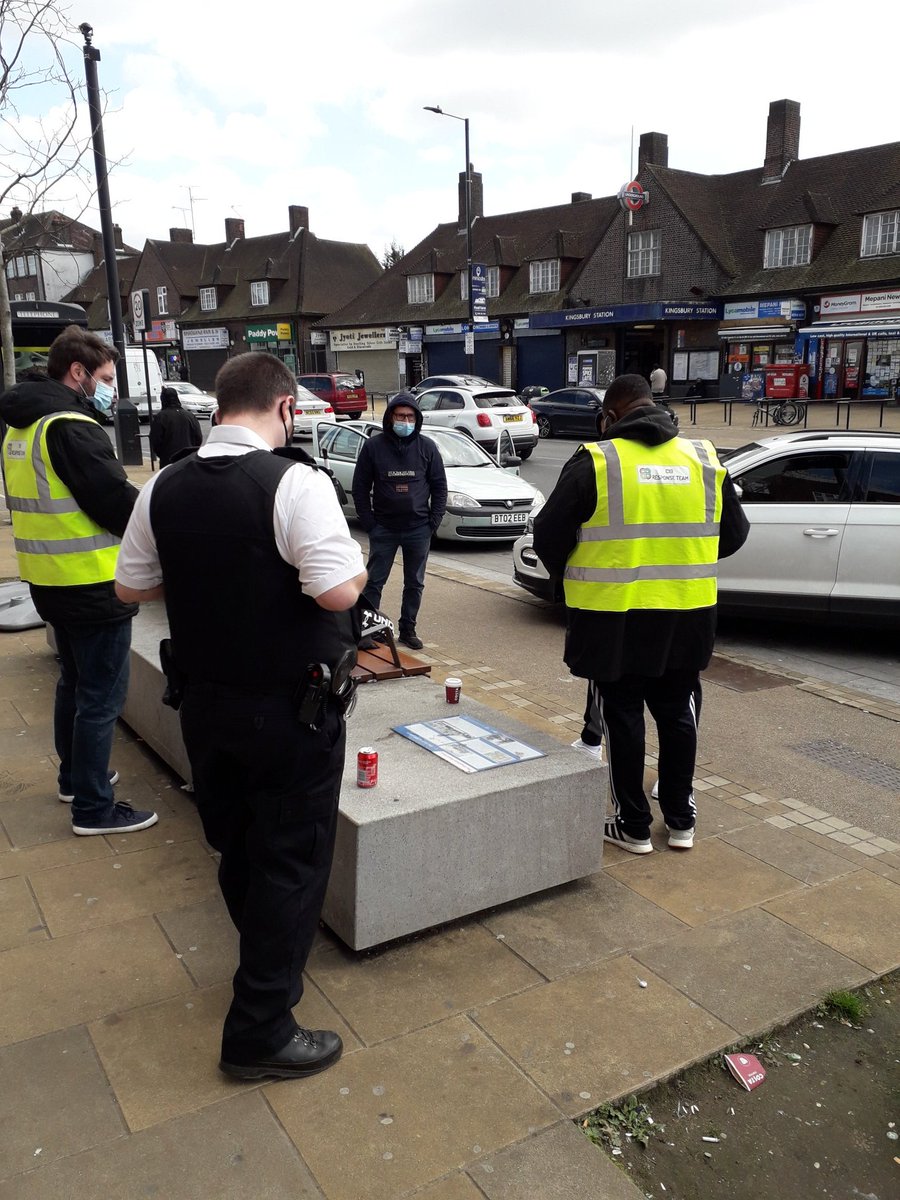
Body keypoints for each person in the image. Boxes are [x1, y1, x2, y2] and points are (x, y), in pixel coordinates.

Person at [114, 351, 366, 1082]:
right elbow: (337, 595)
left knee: (238, 846)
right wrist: (352, 567)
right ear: (286, 407)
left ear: (218, 408)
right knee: (292, 859)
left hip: (204, 706)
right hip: (290, 714)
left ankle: (268, 964)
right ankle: (259, 1026)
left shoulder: (161, 486)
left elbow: (131, 590)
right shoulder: (296, 483)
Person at [533, 373, 749, 854]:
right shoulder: (704, 458)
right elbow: (733, 536)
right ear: (655, 406)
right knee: (678, 712)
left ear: (610, 415)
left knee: (623, 716)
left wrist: (580, 575)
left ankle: (632, 825)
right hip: (686, 612)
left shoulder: (597, 459)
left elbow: (548, 536)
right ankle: (680, 819)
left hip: (616, 617)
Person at [0, 325, 158, 836]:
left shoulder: (21, 426)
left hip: (47, 582)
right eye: (106, 377)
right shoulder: (70, 425)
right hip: (93, 585)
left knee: (73, 683)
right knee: (101, 698)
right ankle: (93, 807)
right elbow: (116, 503)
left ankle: (74, 777)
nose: (111, 387)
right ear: (78, 373)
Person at [351, 392, 447, 651]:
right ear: (390, 417)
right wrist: (369, 522)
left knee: (414, 582)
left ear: (417, 419)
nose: (405, 420)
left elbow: (439, 487)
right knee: (374, 581)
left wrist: (433, 522)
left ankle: (408, 629)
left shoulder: (427, 448)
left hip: (419, 528)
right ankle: (367, 631)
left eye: (410, 416)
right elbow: (360, 487)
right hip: (383, 528)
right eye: (400, 416)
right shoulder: (374, 447)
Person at [149, 385, 202, 466]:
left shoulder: (161, 417)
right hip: (188, 459)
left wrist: (162, 454)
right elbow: (198, 437)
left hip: (169, 459)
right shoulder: (190, 415)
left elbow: (155, 440)